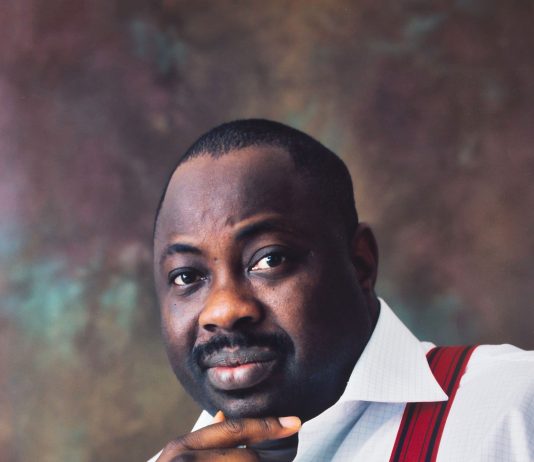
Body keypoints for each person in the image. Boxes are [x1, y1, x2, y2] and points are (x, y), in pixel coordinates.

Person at [150, 119, 534, 461]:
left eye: (270, 259)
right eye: (186, 277)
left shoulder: (513, 407)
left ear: (361, 263)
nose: (223, 310)